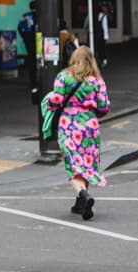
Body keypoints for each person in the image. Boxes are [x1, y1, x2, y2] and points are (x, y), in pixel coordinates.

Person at [46, 46, 111, 221]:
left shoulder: (64, 76)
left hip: (69, 125)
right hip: (90, 126)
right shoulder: (97, 81)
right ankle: (80, 204)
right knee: (87, 163)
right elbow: (104, 106)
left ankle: (83, 194)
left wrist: (50, 103)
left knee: (73, 165)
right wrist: (91, 113)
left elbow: (56, 100)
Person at [18, 1, 39, 90]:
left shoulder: (25, 15)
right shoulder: (39, 15)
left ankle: (33, 82)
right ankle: (38, 81)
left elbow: (19, 27)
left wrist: (24, 36)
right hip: (37, 38)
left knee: (31, 59)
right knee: (38, 59)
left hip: (28, 38)